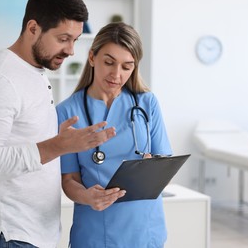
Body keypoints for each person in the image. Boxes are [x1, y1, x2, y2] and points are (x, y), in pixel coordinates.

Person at [0, 0, 116, 247]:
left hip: (31, 234)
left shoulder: (35, 72)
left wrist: (57, 140)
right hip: (8, 236)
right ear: (33, 28)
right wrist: (59, 145)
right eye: (63, 38)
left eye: (75, 40)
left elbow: (25, 144)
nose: (70, 50)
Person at [56, 22, 173, 248]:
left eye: (127, 66)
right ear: (92, 57)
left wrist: (153, 168)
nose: (116, 75)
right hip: (96, 231)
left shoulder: (147, 103)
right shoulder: (67, 112)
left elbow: (165, 161)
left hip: (145, 229)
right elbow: (69, 180)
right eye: (109, 62)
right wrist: (87, 196)